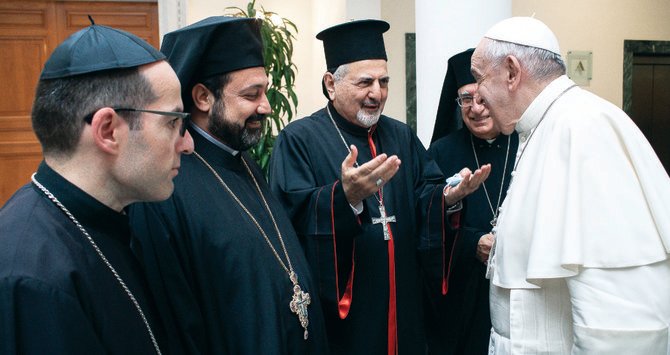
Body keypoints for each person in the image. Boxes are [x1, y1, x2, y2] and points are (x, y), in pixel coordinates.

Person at [269, 19, 490, 355]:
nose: (377, 93)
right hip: (347, 319)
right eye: (365, 82)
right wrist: (345, 199)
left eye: (383, 81)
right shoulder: (298, 140)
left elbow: (423, 194)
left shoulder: (400, 135)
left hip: (405, 308)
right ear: (331, 84)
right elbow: (290, 218)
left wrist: (446, 199)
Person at [128, 16, 328, 354]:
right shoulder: (165, 186)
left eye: (265, 91)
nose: (265, 106)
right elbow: (177, 324)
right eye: (252, 94)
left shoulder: (243, 160)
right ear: (204, 97)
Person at [471, 17, 670, 354]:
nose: (476, 95)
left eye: (480, 79)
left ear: (511, 72)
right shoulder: (540, 128)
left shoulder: (584, 128)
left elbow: (618, 317)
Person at [0, 22, 194, 354]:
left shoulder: (111, 220)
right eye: (172, 123)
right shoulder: (31, 279)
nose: (186, 143)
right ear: (107, 130)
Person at [423, 48, 519, 355]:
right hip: (462, 296)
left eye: (482, 98)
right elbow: (424, 224)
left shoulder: (524, 145)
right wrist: (471, 242)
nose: (476, 109)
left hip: (517, 290)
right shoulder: (441, 152)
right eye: (466, 99)